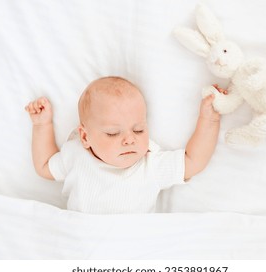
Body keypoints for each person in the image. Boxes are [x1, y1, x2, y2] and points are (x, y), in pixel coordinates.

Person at [25, 76, 220, 214]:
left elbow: (194, 161)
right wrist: (42, 124)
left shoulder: (150, 164)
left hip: (129, 243)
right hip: (83, 239)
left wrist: (209, 120)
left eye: (138, 130)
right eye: (113, 133)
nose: (129, 139)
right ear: (85, 137)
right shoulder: (76, 154)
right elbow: (44, 167)